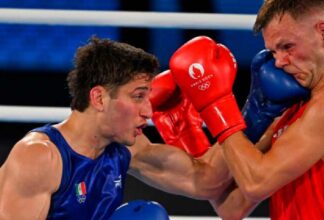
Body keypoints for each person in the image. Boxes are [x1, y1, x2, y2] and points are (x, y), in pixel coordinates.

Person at [168, 0, 324, 219]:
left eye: (287, 46)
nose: (279, 62)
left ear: (323, 34)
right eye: (272, 51)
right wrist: (188, 132)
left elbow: (256, 183)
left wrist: (217, 104)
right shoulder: (292, 107)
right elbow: (231, 207)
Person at [0, 36, 234, 220]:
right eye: (138, 96)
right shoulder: (39, 158)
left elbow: (205, 181)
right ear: (99, 98)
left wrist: (256, 111)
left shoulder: (124, 149)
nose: (149, 112)